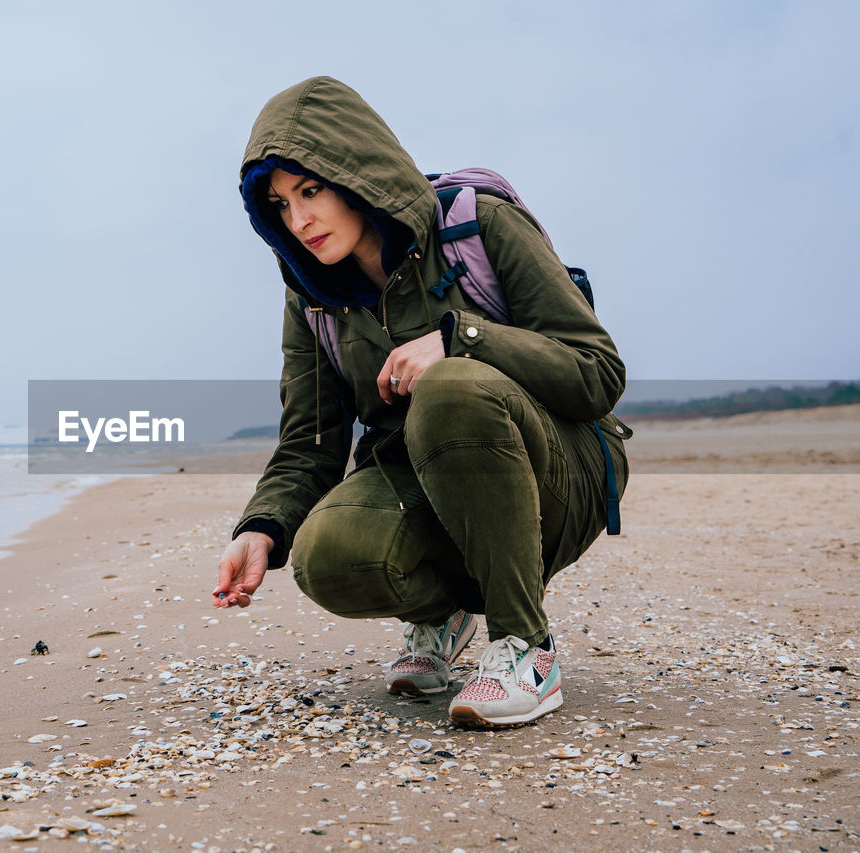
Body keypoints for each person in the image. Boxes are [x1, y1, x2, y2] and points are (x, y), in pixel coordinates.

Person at [212, 76, 631, 729]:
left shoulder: (476, 223)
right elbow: (310, 443)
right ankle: (444, 612)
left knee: (450, 387)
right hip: (429, 488)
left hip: (559, 470)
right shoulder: (311, 296)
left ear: (353, 171)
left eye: (311, 190)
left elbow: (596, 370)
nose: (299, 220)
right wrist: (261, 530)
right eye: (281, 203)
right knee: (327, 555)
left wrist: (460, 339)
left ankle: (526, 648)